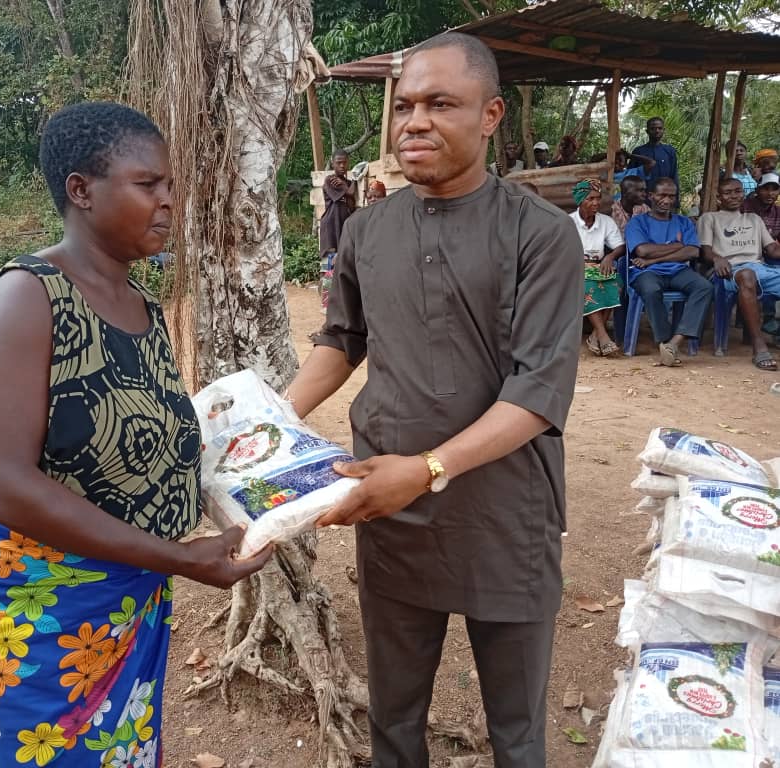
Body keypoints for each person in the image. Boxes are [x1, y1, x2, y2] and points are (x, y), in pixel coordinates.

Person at [286, 33, 582, 768]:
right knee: (394, 723)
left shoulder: (541, 236)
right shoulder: (367, 228)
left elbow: (539, 391)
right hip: (391, 512)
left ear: (490, 116)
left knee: (516, 735)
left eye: (439, 104)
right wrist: (273, 421)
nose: (413, 121)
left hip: (505, 519)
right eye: (405, 104)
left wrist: (425, 468)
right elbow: (341, 337)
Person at [0, 102, 272, 768]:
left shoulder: (141, 306)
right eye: (148, 184)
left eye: (170, 187)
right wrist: (181, 558)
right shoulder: (29, 295)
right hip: (37, 611)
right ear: (82, 191)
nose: (168, 202)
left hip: (122, 600)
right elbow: (1, 484)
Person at [624, 177, 712, 366]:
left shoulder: (684, 222)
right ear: (651, 196)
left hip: (677, 270)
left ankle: (675, 342)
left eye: (671, 196)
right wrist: (678, 246)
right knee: (651, 290)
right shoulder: (637, 222)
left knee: (704, 286)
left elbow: (693, 251)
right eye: (662, 195)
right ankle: (663, 341)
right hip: (645, 272)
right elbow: (642, 250)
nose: (667, 200)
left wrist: (655, 259)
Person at [698, 176, 780, 370]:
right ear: (719, 198)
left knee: (751, 273)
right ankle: (759, 346)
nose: (734, 196)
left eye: (737, 191)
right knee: (746, 275)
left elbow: (772, 250)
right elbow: (705, 251)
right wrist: (717, 259)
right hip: (728, 271)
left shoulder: (754, 219)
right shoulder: (710, 218)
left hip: (761, 269)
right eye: (728, 193)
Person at [571, 179, 624, 356]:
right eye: (591, 199)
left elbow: (620, 246)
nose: (596, 203)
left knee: (616, 283)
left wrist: (610, 256)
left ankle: (595, 336)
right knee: (588, 285)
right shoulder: (568, 222)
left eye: (598, 198)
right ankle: (603, 336)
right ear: (580, 200)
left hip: (598, 265)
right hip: (574, 268)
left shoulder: (606, 221)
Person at [320, 149, 358, 312]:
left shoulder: (346, 182)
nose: (342, 166)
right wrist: (348, 186)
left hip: (343, 228)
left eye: (344, 162)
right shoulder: (329, 180)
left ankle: (341, 307)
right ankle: (327, 306)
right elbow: (350, 193)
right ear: (333, 163)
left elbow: (351, 203)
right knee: (329, 264)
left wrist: (348, 184)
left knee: (343, 265)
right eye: (338, 162)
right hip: (331, 228)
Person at [629, 117, 680, 203]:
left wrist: (675, 201)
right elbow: (630, 177)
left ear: (664, 130)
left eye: (659, 128)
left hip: (664, 200)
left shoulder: (669, 151)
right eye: (653, 128)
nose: (657, 131)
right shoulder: (638, 151)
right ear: (647, 131)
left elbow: (674, 177)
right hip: (643, 201)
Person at [742, 172, 780, 240]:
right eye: (765, 189)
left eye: (774, 189)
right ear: (757, 190)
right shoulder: (743, 207)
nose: (770, 193)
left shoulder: (778, 212)